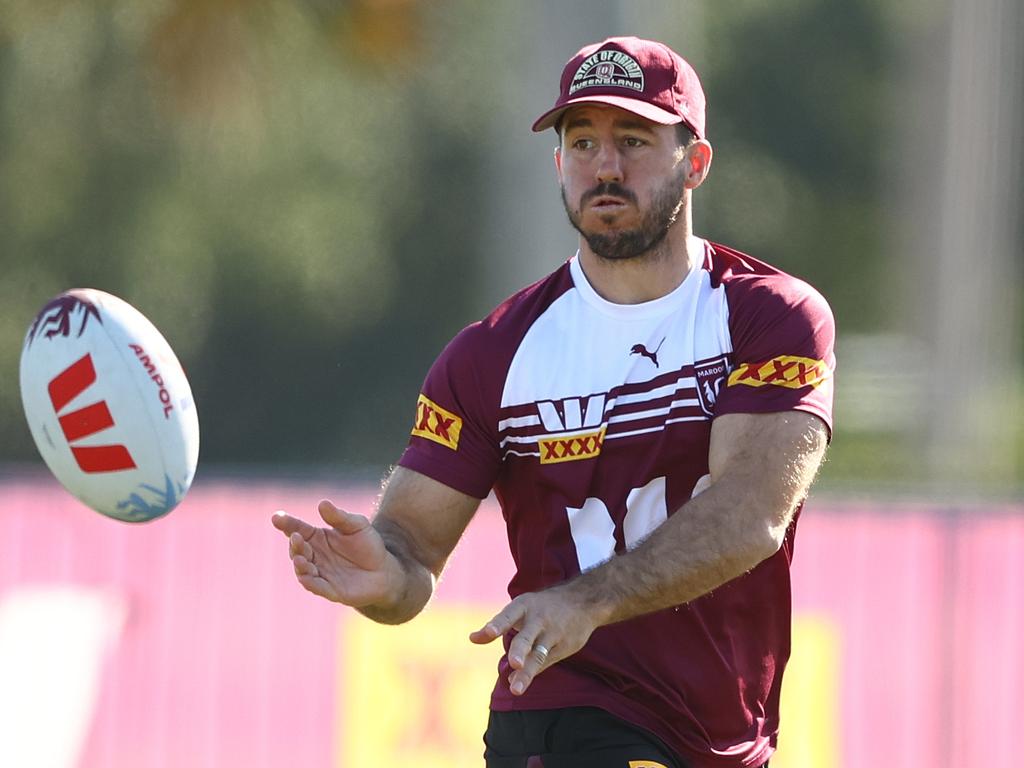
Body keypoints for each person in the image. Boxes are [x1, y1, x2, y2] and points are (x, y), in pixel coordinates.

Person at [273, 35, 835, 768]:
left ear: (694, 163)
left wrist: (587, 599)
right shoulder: (492, 353)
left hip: (719, 739)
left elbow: (751, 514)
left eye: (633, 140)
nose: (605, 166)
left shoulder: (772, 317)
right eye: (582, 142)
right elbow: (410, 557)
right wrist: (382, 576)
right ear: (559, 164)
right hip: (562, 717)